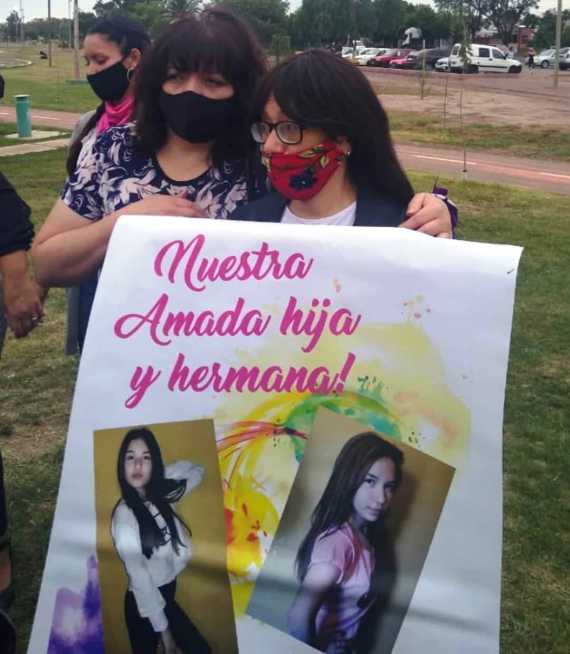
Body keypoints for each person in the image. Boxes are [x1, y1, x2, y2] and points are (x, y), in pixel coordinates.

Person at [33, 10, 454, 344]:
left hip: (242, 362)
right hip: (132, 352)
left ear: (242, 91)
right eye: (175, 77)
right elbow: (47, 262)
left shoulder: (264, 158)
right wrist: (124, 224)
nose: (190, 91)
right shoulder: (115, 149)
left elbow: (345, 199)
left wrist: (437, 211)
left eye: (213, 81)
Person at [233, 48, 447, 230]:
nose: (269, 145)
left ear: (342, 137)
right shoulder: (245, 226)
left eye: (289, 128)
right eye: (265, 127)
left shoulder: (402, 228)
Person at [65, 14, 151, 355]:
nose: (91, 72)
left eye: (100, 61)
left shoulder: (160, 125)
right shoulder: (88, 125)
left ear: (133, 59)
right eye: (87, 61)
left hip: (139, 277)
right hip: (90, 267)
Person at [287, 432, 404, 653]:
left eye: (389, 486)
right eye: (370, 481)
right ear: (349, 479)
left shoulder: (365, 533)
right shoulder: (338, 543)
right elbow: (298, 618)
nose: (381, 498)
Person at [111, 427, 210, 654]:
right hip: (143, 603)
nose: (138, 465)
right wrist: (166, 635)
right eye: (130, 458)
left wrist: (158, 474)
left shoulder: (162, 496)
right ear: (122, 465)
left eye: (146, 458)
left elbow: (197, 471)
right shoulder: (124, 517)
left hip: (166, 595)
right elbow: (140, 578)